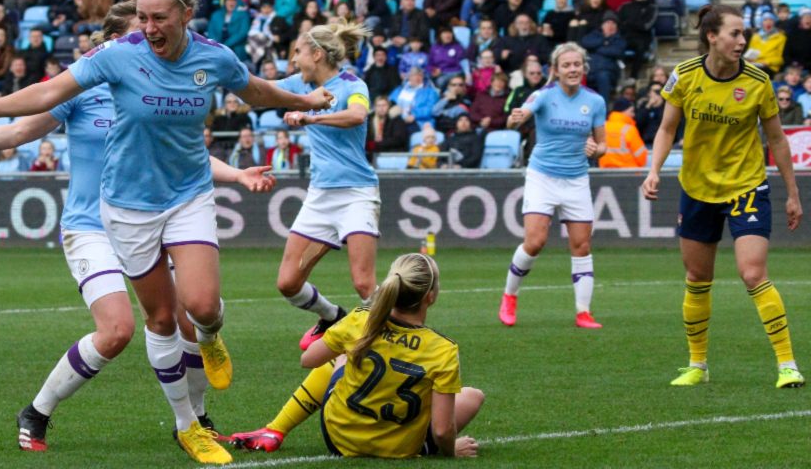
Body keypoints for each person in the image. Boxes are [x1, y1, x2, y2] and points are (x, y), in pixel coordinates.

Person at [0, 0, 332, 465]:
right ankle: (185, 426)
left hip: (185, 196)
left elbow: (254, 90)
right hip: (117, 213)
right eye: (140, 20)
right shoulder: (111, 63)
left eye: (157, 19)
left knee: (203, 308)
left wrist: (301, 102)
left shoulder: (213, 57)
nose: (147, 29)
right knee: (150, 322)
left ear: (186, 16)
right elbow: (38, 102)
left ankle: (210, 351)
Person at [641, 4, 805, 389]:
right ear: (711, 36)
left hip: (746, 186)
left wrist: (792, 193)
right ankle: (697, 365)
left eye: (743, 34)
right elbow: (667, 128)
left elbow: (778, 139)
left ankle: (787, 364)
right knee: (698, 276)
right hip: (697, 188)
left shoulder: (758, 81)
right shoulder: (683, 76)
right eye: (734, 33)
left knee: (752, 273)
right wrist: (653, 170)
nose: (742, 40)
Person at [230, 253, 484, 459]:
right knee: (473, 396)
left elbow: (307, 360)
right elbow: (442, 430)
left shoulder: (360, 320)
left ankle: (276, 429)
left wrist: (329, 335)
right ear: (430, 297)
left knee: (339, 356)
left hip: (339, 439)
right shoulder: (443, 349)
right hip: (400, 449)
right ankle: (416, 441)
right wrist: (451, 451)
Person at [258, 20, 380, 350]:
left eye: (298, 52)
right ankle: (332, 317)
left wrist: (310, 115)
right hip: (321, 196)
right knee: (287, 282)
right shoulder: (299, 83)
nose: (294, 59)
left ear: (316, 53)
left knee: (363, 282)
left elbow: (357, 116)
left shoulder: (353, 84)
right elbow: (262, 90)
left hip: (356, 193)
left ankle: (394, 341)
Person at [500, 42, 608, 329]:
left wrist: (595, 150)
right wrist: (516, 118)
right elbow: (520, 115)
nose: (572, 69)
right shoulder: (544, 95)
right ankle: (510, 296)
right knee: (535, 241)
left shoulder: (595, 101)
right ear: (556, 71)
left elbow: (603, 144)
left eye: (577, 65)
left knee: (582, 245)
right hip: (543, 176)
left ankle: (583, 312)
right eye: (567, 65)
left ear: (583, 68)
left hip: (576, 179)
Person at [599, 97, 647, 168]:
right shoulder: (629, 130)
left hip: (604, 172)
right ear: (623, 111)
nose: (633, 115)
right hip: (629, 173)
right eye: (631, 111)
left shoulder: (602, 127)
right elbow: (641, 157)